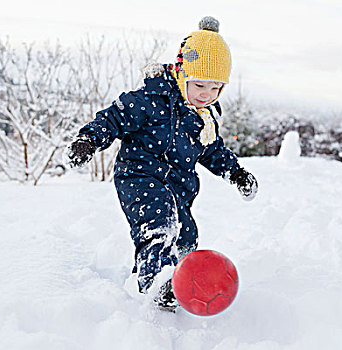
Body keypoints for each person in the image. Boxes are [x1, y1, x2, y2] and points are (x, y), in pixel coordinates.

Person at [66, 16, 258, 311]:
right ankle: (156, 283)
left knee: (185, 236)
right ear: (182, 73)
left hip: (177, 186)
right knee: (159, 223)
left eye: (215, 88)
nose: (206, 95)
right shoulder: (150, 99)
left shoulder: (202, 119)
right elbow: (114, 117)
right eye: (200, 85)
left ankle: (181, 283)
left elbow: (212, 151)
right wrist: (89, 140)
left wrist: (235, 172)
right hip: (139, 175)